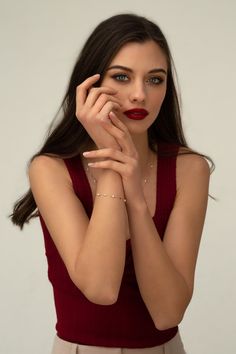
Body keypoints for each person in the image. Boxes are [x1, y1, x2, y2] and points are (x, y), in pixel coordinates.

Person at [10, 13, 214, 354]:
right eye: (121, 77)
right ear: (89, 85)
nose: (139, 94)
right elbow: (102, 288)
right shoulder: (51, 169)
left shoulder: (189, 169)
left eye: (155, 79)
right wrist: (111, 162)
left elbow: (168, 312)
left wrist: (135, 197)